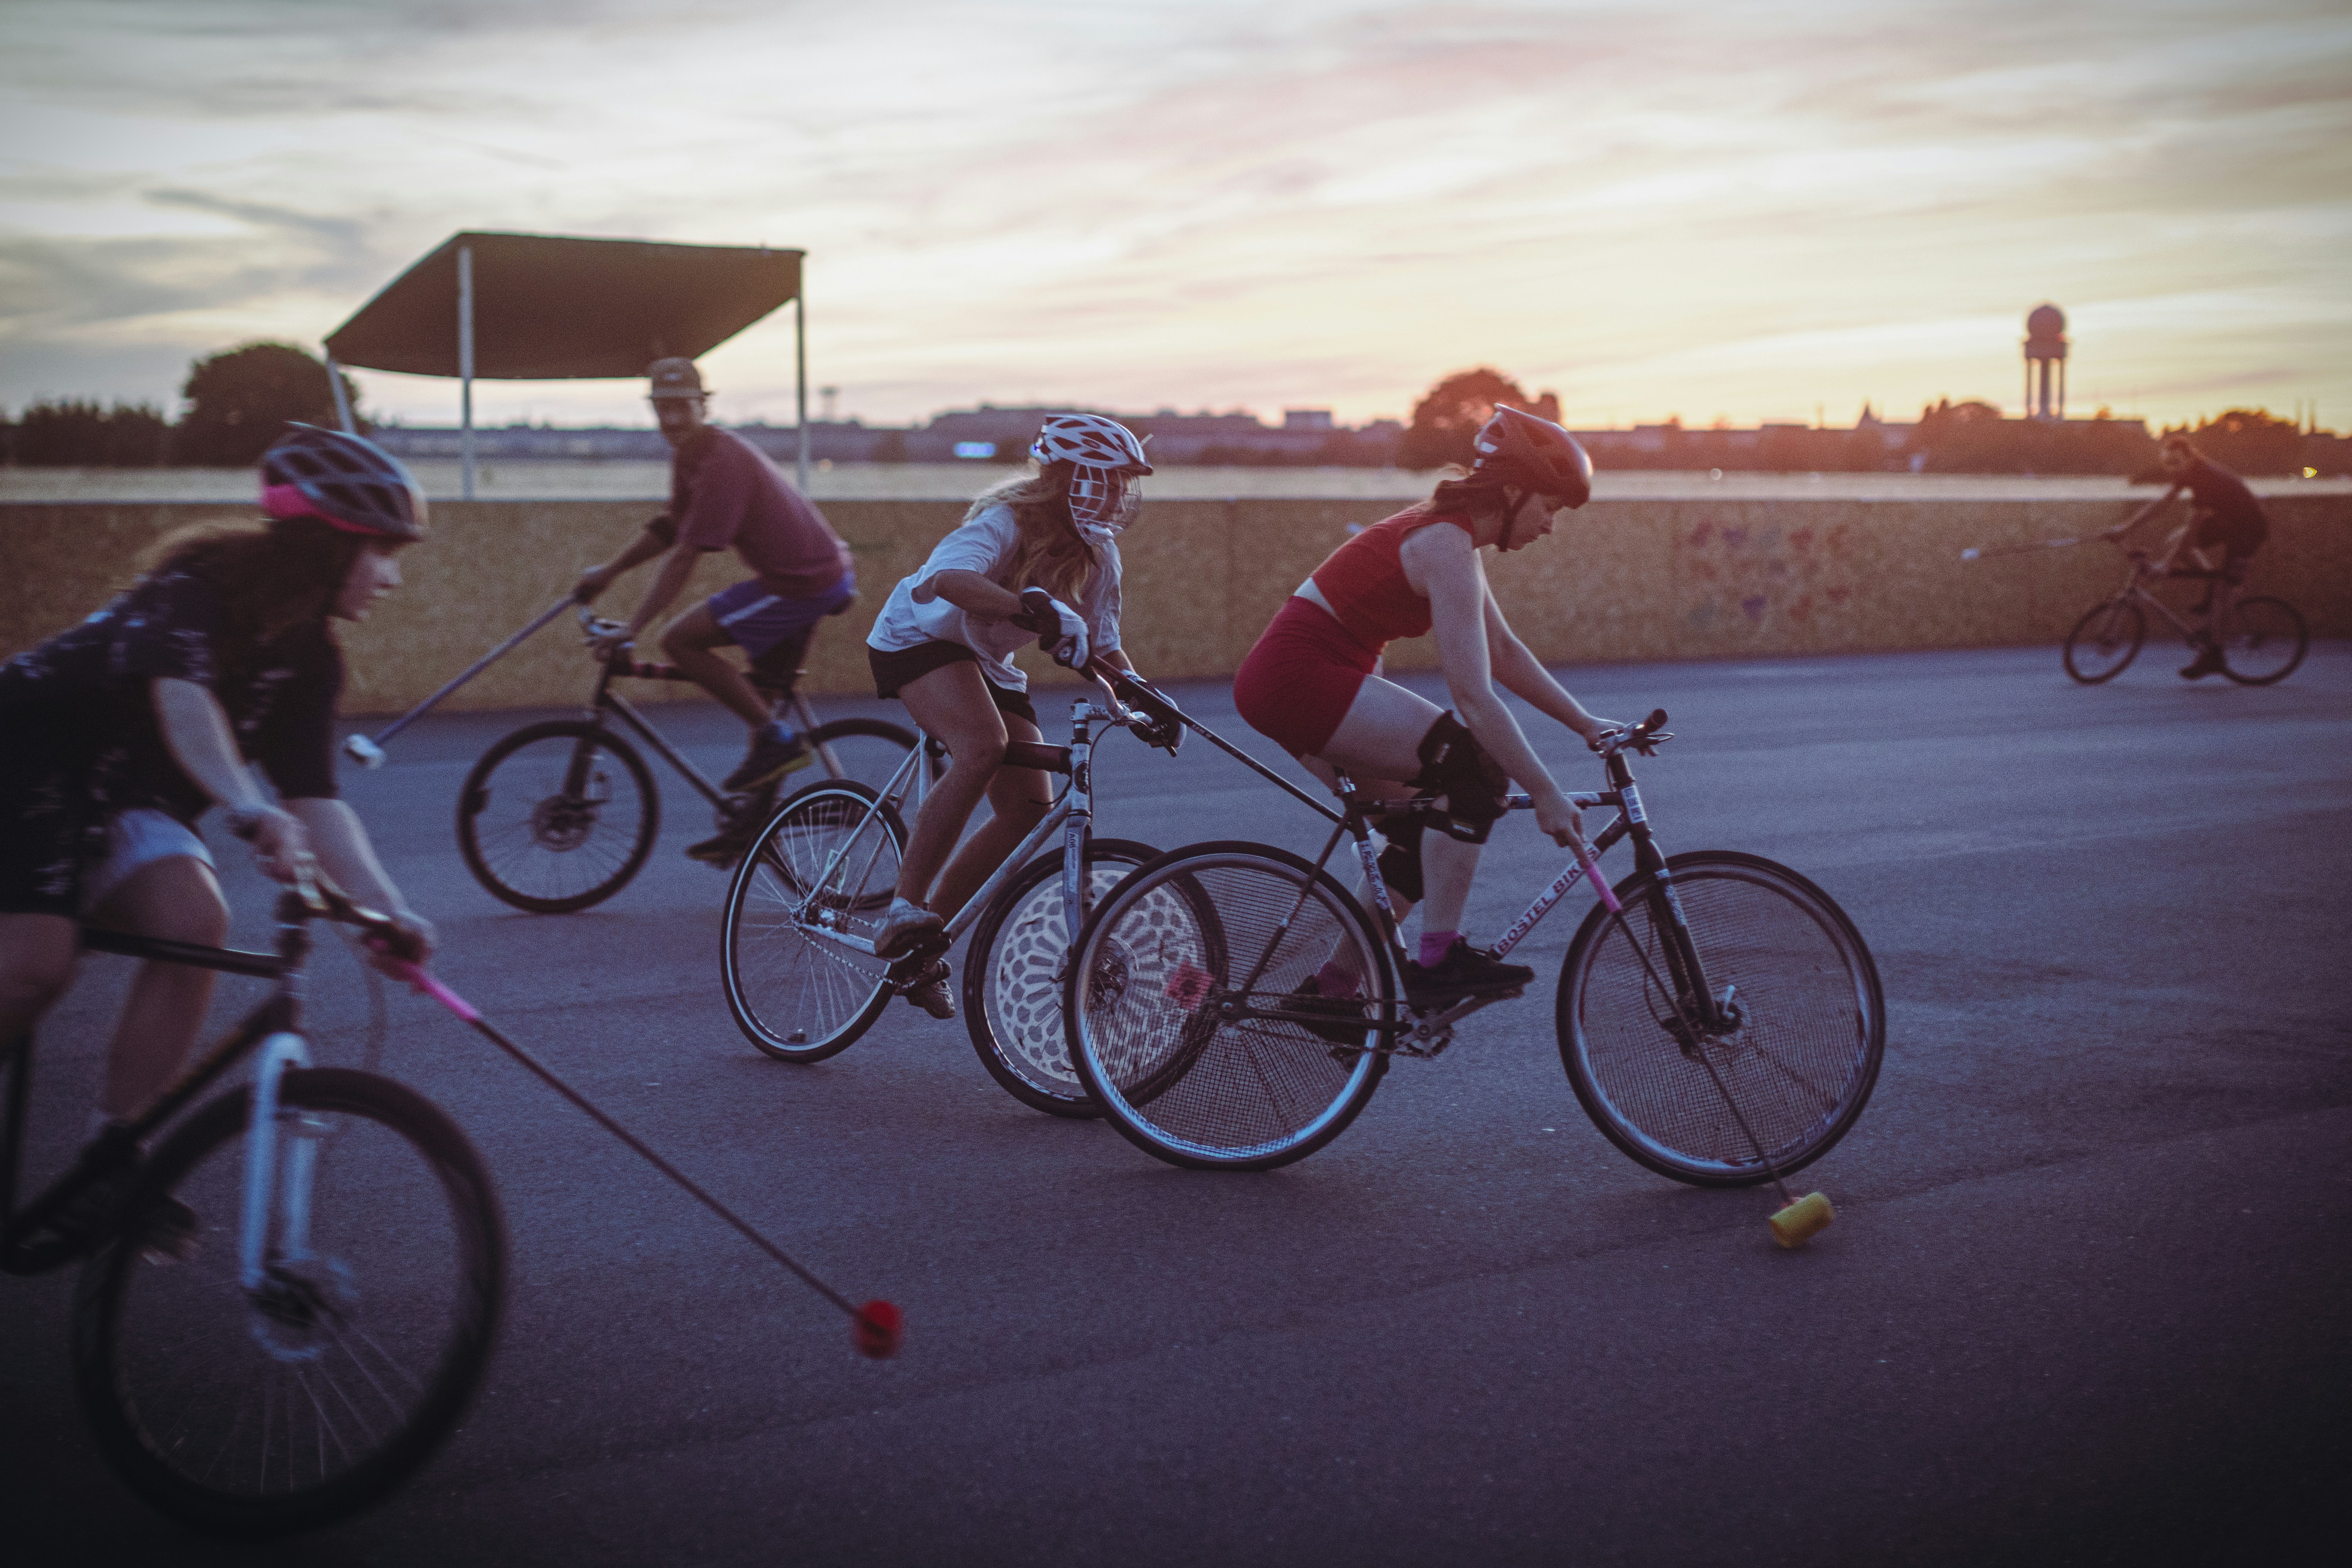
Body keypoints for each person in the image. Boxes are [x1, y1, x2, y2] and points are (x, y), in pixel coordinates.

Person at [0, 424, 435, 1238]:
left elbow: (317, 799)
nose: (393, 578)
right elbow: (184, 703)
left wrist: (385, 913)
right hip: (25, 759)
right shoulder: (199, 589)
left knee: (196, 920)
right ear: (327, 544)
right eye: (382, 552)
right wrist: (246, 806)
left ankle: (111, 1160)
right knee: (36, 964)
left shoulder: (312, 657)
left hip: (122, 794)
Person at [1230, 405, 1627, 1012]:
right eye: (1550, 507)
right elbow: (1472, 695)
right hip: (1299, 678)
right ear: (1516, 491)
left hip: (1303, 680)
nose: (1549, 526)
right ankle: (1439, 959)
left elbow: (1502, 651)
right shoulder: (1443, 540)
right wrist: (1544, 790)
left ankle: (1331, 994)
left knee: (1422, 827)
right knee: (1475, 771)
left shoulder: (1455, 538)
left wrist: (1584, 724)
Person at [862, 413, 1153, 1020]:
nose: (1115, 495)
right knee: (982, 745)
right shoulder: (1004, 520)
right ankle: (900, 907)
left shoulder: (1100, 554)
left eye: (1123, 484)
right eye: (1103, 480)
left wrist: (1146, 698)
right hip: (918, 635)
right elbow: (948, 580)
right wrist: (1031, 608)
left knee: (1027, 809)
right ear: (1064, 476)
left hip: (985, 661)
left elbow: (1103, 645)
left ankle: (921, 943)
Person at [575, 357, 859, 859]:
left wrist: (633, 629)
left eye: (682, 407)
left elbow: (687, 552)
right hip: (805, 573)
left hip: (803, 582)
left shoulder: (722, 459)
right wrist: (609, 570)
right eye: (663, 409)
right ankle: (748, 828)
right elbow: (672, 527)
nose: (672, 421)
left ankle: (776, 738)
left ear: (704, 406)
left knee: (680, 640)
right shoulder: (690, 456)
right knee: (762, 692)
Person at [2107, 433, 2271, 680]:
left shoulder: (2206, 478)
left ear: (2190, 457)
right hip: (2226, 522)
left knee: (2223, 589)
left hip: (2248, 530)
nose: (2172, 468)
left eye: (2176, 462)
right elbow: (2163, 504)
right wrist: (2126, 528)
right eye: (2168, 463)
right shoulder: (2187, 473)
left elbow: (2194, 524)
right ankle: (2214, 585)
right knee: (2176, 540)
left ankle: (2215, 656)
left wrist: (2167, 564)